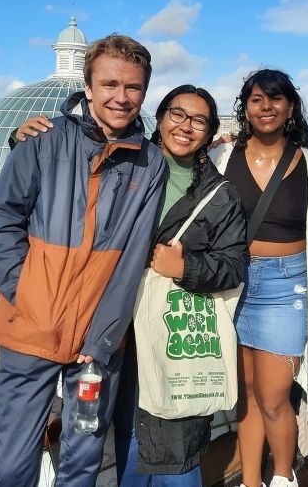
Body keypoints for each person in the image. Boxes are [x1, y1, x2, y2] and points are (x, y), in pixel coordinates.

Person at [0, 34, 167, 487]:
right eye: (109, 84)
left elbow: (132, 257)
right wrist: (27, 296)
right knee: (15, 456)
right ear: (88, 87)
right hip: (31, 328)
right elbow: (1, 222)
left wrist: (103, 335)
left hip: (96, 348)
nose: (121, 97)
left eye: (133, 87)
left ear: (144, 91)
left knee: (84, 454)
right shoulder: (42, 142)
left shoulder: (151, 162)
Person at [114, 86, 248, 486]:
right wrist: (24, 139)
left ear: (209, 133)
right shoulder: (124, 165)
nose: (186, 126)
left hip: (177, 333)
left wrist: (184, 266)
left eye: (199, 120)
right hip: (119, 330)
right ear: (159, 117)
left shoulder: (221, 195)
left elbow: (232, 267)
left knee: (177, 447)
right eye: (177, 114)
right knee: (129, 435)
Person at [210, 69, 308, 487]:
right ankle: (251, 480)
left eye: (276, 99)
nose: (266, 107)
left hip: (286, 286)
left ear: (290, 107)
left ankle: (282, 477)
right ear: (245, 107)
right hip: (234, 283)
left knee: (274, 397)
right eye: (257, 99)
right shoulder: (222, 157)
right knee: (246, 396)